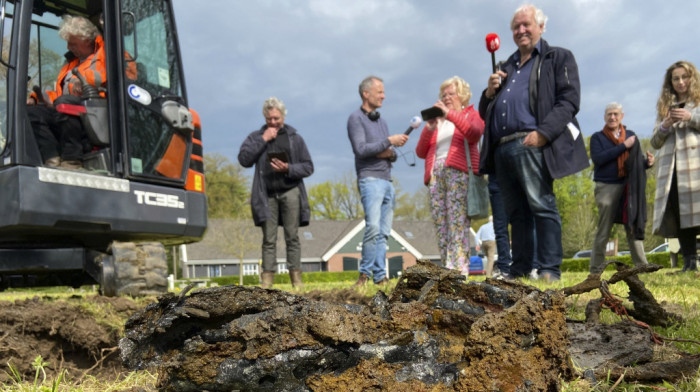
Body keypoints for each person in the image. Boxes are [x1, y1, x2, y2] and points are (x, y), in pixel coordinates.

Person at [478, 4, 588, 282]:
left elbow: (569, 101)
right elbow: (484, 112)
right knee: (516, 214)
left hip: (532, 142)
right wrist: (489, 93)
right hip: (501, 147)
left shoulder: (557, 57)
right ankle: (521, 269)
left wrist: (544, 133)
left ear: (541, 27)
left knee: (541, 204)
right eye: (516, 27)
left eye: (526, 24)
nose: (521, 30)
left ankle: (550, 269)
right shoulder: (505, 67)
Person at [238, 97, 314, 288]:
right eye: (269, 118)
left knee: (292, 237)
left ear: (283, 116)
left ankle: (297, 281)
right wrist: (264, 139)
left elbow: (308, 167)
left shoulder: (294, 137)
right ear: (265, 117)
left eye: (276, 118)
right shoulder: (256, 137)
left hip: (290, 192)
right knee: (269, 239)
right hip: (267, 195)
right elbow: (244, 159)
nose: (273, 122)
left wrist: (288, 168)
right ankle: (267, 282)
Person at [416, 76, 485, 276]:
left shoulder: (470, 114)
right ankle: (448, 269)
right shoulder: (438, 123)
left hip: (458, 171)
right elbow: (421, 152)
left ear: (462, 96)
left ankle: (458, 270)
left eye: (451, 94)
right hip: (435, 175)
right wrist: (429, 127)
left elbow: (474, 133)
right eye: (443, 95)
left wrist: (451, 114)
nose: (446, 97)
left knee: (457, 223)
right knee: (441, 224)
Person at [347, 76, 409, 286]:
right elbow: (361, 149)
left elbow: (389, 153)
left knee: (384, 232)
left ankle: (380, 276)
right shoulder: (355, 119)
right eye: (380, 91)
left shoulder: (381, 121)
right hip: (370, 179)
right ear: (366, 93)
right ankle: (364, 275)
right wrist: (388, 142)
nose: (384, 95)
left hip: (387, 180)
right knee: (372, 227)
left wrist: (386, 150)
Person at [27, 15, 107, 169]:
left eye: (72, 43)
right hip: (68, 115)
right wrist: (37, 98)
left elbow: (123, 77)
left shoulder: (108, 53)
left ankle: (72, 159)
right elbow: (58, 95)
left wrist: (86, 81)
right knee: (32, 112)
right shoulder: (70, 65)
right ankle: (51, 157)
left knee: (65, 103)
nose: (69, 48)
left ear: (86, 40)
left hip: (96, 113)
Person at [589, 102, 654, 274]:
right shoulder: (597, 138)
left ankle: (642, 267)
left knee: (632, 225)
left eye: (616, 114)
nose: (612, 117)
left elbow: (636, 162)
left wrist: (647, 163)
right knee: (604, 229)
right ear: (605, 117)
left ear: (621, 117)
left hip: (628, 187)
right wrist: (623, 146)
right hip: (606, 187)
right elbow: (599, 159)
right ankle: (595, 270)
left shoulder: (630, 135)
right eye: (609, 114)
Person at [651, 60, 700, 272]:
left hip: (695, 165)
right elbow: (655, 142)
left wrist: (691, 117)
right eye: (675, 78)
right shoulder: (665, 108)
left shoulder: (698, 103)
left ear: (692, 78)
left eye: (684, 77)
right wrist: (664, 126)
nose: (680, 82)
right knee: (680, 214)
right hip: (671, 169)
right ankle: (689, 261)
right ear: (670, 82)